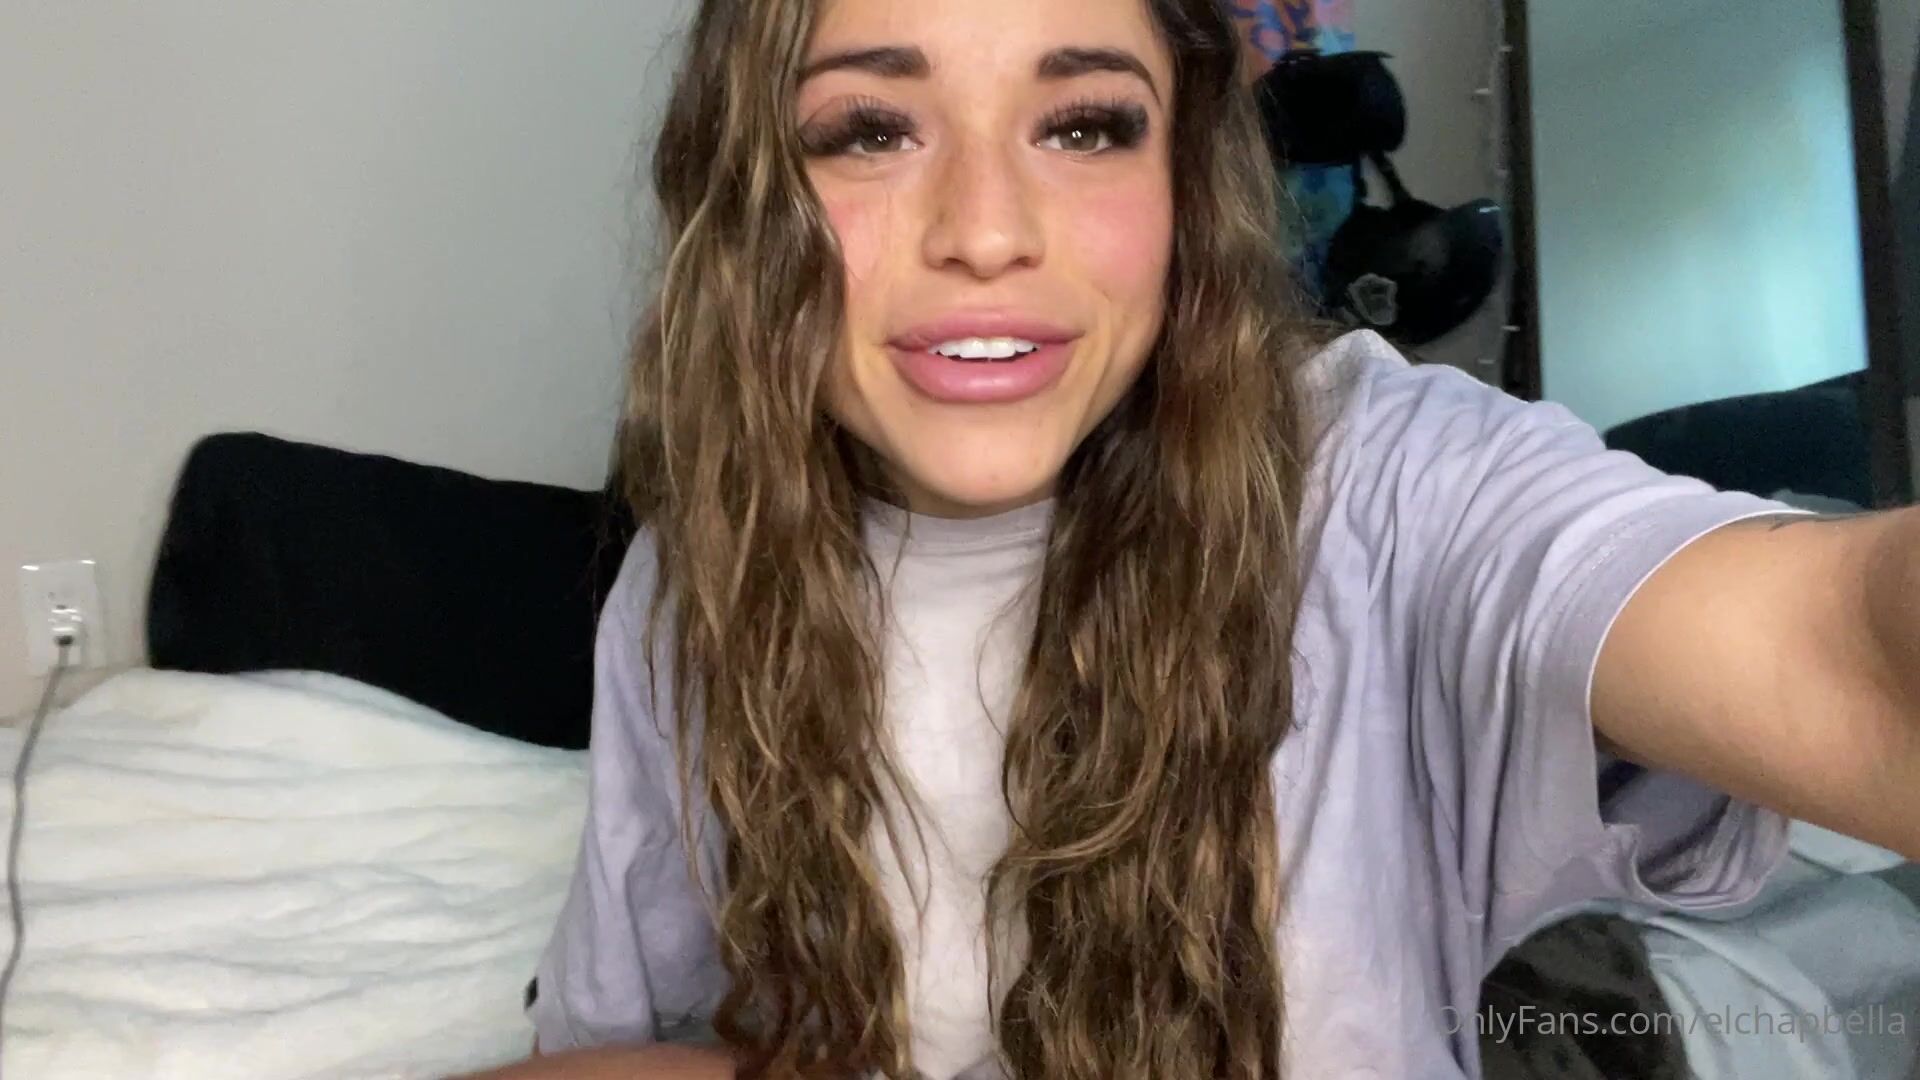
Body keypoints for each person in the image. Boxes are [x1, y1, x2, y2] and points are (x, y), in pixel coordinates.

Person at [470, 0, 1920, 1077]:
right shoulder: (689, 583)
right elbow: (663, 1038)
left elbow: (1844, 648)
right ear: (747, 196)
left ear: (1181, 179)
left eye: (1084, 125)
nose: (988, 230)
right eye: (871, 130)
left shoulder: (1384, 481)